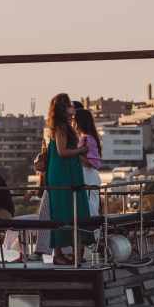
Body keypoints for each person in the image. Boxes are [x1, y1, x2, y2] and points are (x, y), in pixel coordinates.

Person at [43, 93, 90, 262]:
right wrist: (81, 151)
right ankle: (59, 254)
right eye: (69, 104)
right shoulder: (61, 127)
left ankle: (71, 252)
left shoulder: (65, 126)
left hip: (68, 170)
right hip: (63, 172)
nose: (72, 107)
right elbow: (62, 152)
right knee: (64, 211)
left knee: (73, 210)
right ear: (64, 108)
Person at [71, 106, 104, 218]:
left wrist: (75, 154)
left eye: (74, 121)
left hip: (89, 178)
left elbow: (92, 162)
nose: (72, 124)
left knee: (91, 209)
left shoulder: (87, 139)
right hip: (86, 177)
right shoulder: (84, 138)